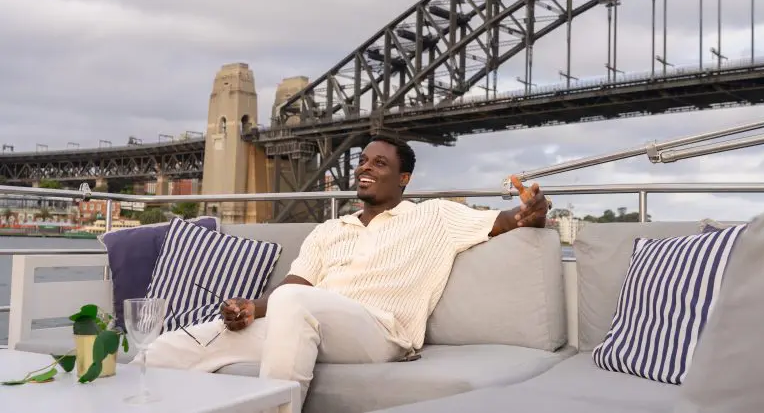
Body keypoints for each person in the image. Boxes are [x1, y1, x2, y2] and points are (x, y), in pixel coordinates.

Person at [138, 135, 551, 405]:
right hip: (305, 321)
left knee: (296, 304)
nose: (364, 168)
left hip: (381, 333)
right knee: (171, 347)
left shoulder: (436, 216)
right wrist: (251, 309)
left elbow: (512, 220)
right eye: (363, 161)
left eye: (379, 164)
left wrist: (534, 208)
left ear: (404, 178)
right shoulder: (330, 229)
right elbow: (295, 285)